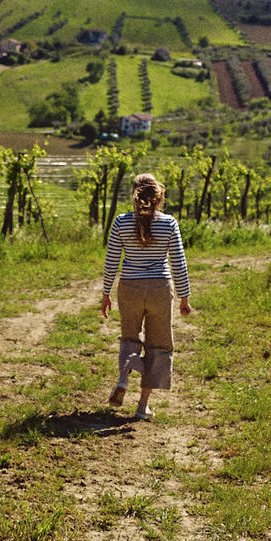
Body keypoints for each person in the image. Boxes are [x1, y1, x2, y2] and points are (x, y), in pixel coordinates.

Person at [100, 172, 192, 420]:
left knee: (129, 338)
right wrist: (184, 297)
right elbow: (179, 263)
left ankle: (123, 378)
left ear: (134, 195)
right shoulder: (169, 224)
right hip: (160, 289)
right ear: (159, 196)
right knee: (159, 345)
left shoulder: (120, 222)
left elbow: (111, 263)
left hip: (129, 287)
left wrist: (106, 293)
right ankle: (142, 406)